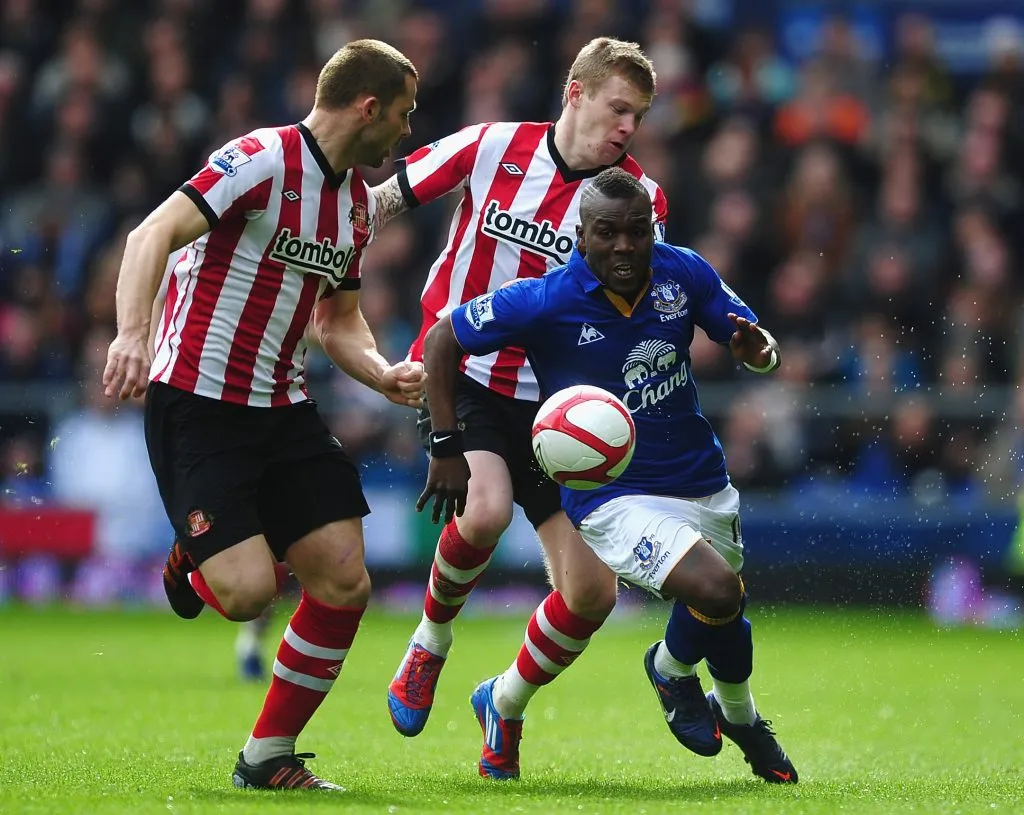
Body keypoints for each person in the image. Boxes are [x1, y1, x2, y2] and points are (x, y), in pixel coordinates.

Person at [103, 39, 423, 791]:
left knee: (346, 578)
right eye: (405, 115)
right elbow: (150, 234)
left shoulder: (349, 204)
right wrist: (130, 330)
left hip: (281, 404)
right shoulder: (259, 158)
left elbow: (337, 320)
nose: (406, 132)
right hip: (198, 400)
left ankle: (267, 756)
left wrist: (381, 373)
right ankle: (195, 556)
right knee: (248, 592)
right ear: (369, 107)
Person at [418, 167, 798, 784]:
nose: (624, 247)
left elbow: (755, 340)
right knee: (716, 592)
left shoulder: (684, 271)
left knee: (724, 607)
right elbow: (442, 339)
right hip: (610, 496)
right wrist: (445, 444)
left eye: (636, 232)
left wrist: (760, 353)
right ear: (580, 235)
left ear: (653, 230)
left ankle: (740, 717)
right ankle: (671, 673)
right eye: (607, 233)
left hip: (698, 476)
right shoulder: (545, 299)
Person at [370, 38, 669, 774]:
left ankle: (502, 701)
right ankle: (428, 644)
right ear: (576, 93)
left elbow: (644, 307)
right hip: (461, 370)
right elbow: (386, 196)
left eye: (639, 114)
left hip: (563, 407)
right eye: (618, 107)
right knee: (485, 509)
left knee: (594, 592)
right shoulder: (494, 144)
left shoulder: (641, 201)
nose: (629, 126)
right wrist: (321, 248)